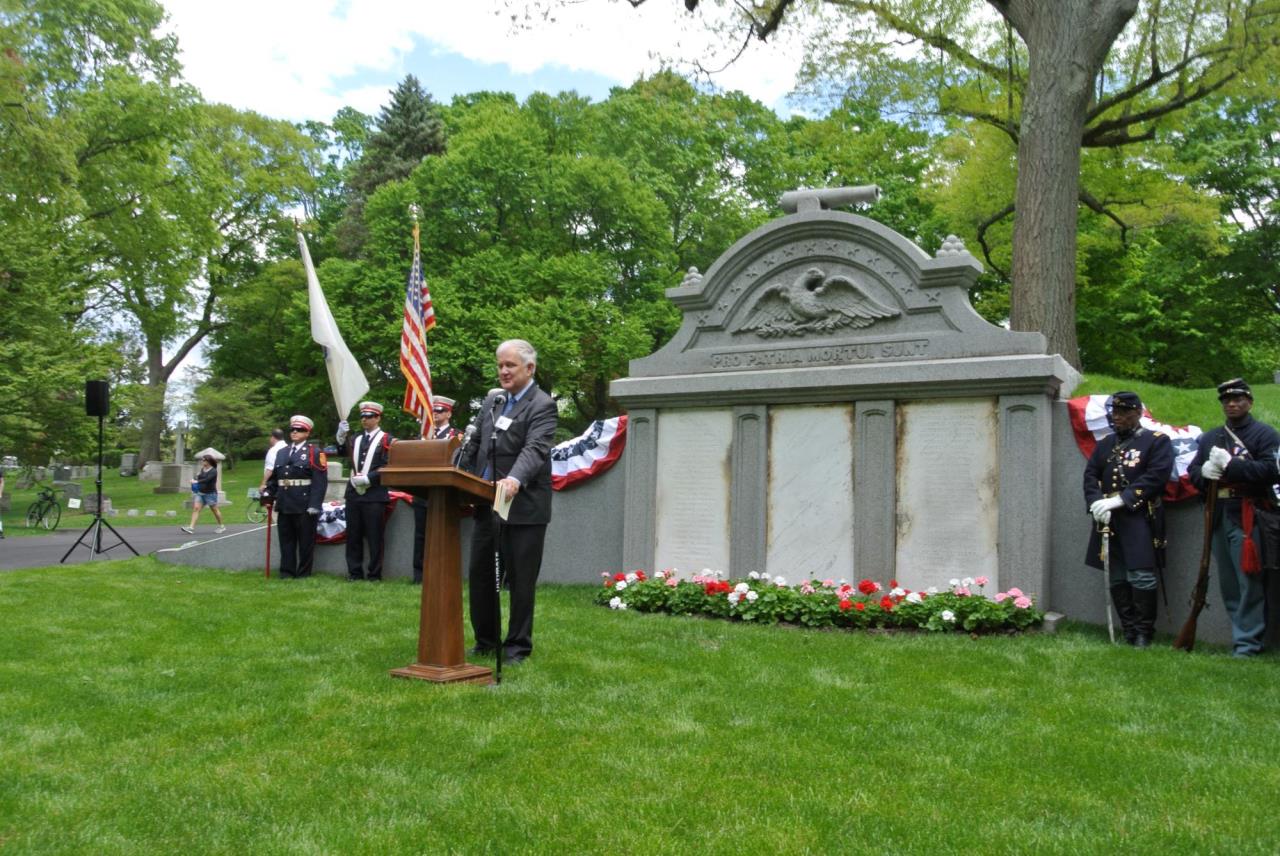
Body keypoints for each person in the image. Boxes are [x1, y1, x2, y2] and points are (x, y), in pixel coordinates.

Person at [457, 340, 557, 664]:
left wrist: (514, 479)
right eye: (500, 364)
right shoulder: (493, 401)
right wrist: (460, 476)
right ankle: (485, 641)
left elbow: (535, 449)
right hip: (488, 501)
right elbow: (477, 443)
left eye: (510, 365)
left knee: (520, 580)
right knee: (481, 574)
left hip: (524, 505)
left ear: (530, 368)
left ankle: (517, 647)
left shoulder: (542, 405)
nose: (503, 371)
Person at [1188, 378, 1280, 657]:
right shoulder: (1210, 438)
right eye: (1227, 400)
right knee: (1229, 583)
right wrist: (1203, 473)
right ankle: (1242, 637)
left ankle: (1247, 644)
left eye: (1238, 399)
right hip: (1217, 515)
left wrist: (1232, 465)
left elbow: (1271, 471)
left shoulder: (1266, 435)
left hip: (1248, 514)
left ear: (1250, 402)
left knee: (1248, 582)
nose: (1232, 403)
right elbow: (1192, 473)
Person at [1083, 391, 1174, 647]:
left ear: (1138, 413)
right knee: (1118, 576)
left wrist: (1121, 499)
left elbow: (1156, 477)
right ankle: (1129, 629)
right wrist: (1096, 503)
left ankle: (1144, 633)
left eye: (1123, 412)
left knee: (1141, 575)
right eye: (1115, 412)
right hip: (1108, 519)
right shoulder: (1105, 444)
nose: (1117, 417)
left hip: (1139, 517)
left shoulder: (1156, 441)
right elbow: (1090, 475)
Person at [335, 401, 394, 581]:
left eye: (368, 417)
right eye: (362, 416)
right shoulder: (355, 439)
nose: (364, 420)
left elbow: (389, 465)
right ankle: (354, 573)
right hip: (353, 493)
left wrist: (370, 478)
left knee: (375, 537)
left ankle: (374, 574)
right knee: (353, 535)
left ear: (378, 418)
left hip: (374, 494)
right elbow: (342, 453)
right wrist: (340, 438)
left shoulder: (387, 439)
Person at [264, 415, 328, 578]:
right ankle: (286, 572)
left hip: (304, 503)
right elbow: (275, 478)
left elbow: (320, 481)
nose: (294, 432)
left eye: (299, 430)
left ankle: (304, 573)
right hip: (285, 502)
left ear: (307, 433)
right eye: (292, 429)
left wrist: (315, 504)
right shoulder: (282, 452)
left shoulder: (314, 452)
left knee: (306, 542)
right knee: (286, 541)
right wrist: (268, 494)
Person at [411, 396, 461, 583]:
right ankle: (419, 575)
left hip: (445, 492)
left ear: (448, 413)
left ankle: (442, 573)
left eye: (439, 411)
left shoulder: (456, 436)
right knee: (421, 535)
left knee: (444, 535)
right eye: (433, 411)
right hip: (423, 491)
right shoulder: (423, 434)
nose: (435, 414)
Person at [181, 455, 227, 535]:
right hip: (200, 493)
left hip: (210, 494)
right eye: (202, 460)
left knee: (215, 510)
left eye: (204, 460)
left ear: (208, 461)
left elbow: (206, 480)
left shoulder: (213, 471)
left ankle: (222, 526)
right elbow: (199, 477)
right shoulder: (203, 469)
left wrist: (197, 481)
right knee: (196, 508)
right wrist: (194, 479)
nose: (202, 462)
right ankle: (191, 528)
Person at [259, 428, 286, 494]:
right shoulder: (288, 448)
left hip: (274, 483)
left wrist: (263, 484)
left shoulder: (273, 450)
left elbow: (270, 469)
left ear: (273, 437)